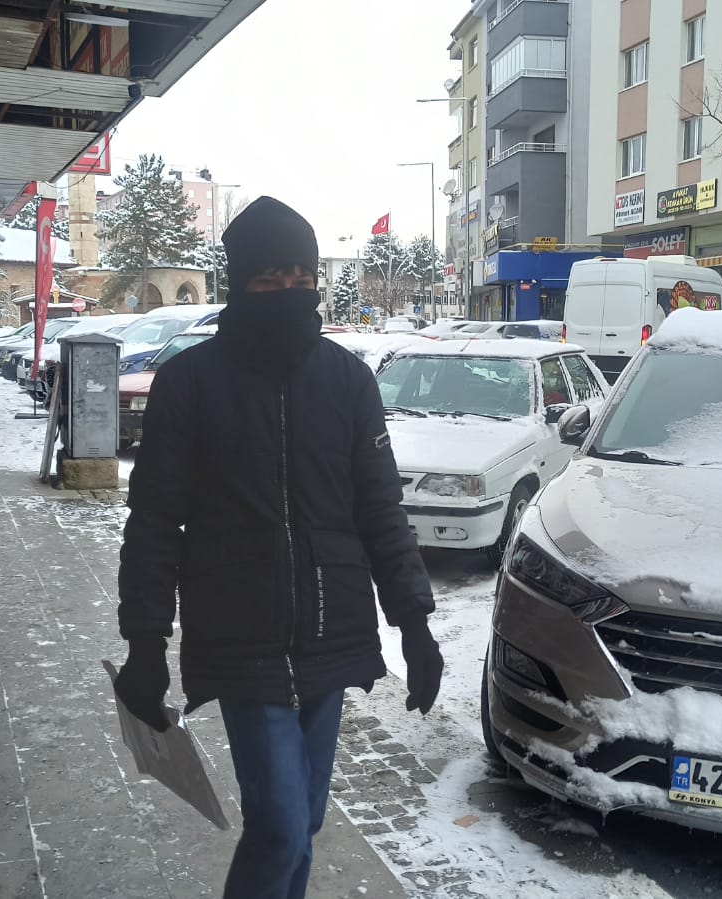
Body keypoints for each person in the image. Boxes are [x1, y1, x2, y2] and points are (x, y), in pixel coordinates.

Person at [114, 197, 442, 899]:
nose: (289, 289)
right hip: (241, 638)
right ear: (239, 281)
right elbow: (153, 520)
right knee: (282, 828)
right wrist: (145, 639)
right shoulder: (190, 384)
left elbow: (382, 510)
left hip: (331, 632)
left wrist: (414, 622)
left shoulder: (348, 381)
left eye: (302, 274)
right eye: (271, 276)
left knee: (305, 822)